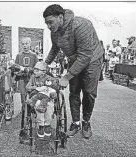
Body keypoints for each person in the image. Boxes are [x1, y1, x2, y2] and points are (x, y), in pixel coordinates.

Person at [43, 4, 104, 139]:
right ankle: (76, 123)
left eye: (50, 22)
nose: (48, 26)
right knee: (74, 92)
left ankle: (86, 122)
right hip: (75, 59)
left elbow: (85, 56)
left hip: (92, 59)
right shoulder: (54, 31)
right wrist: (44, 64)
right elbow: (55, 48)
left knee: (89, 92)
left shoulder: (81, 25)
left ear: (60, 17)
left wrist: (67, 76)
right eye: (46, 23)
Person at [26, 62, 58, 137]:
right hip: (37, 96)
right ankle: (41, 125)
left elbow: (55, 87)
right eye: (34, 69)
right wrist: (37, 88)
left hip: (48, 97)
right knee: (38, 104)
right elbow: (27, 87)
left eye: (37, 70)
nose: (34, 71)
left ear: (43, 72)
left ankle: (47, 124)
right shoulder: (33, 77)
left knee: (49, 105)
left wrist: (51, 86)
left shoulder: (48, 78)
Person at [15, 37, 38, 105]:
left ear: (30, 44)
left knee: (32, 92)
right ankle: (23, 107)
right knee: (22, 93)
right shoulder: (19, 55)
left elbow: (36, 67)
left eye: (26, 44)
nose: (24, 45)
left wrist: (31, 70)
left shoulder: (34, 55)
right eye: (23, 44)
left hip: (31, 78)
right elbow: (16, 67)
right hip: (21, 78)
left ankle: (31, 106)